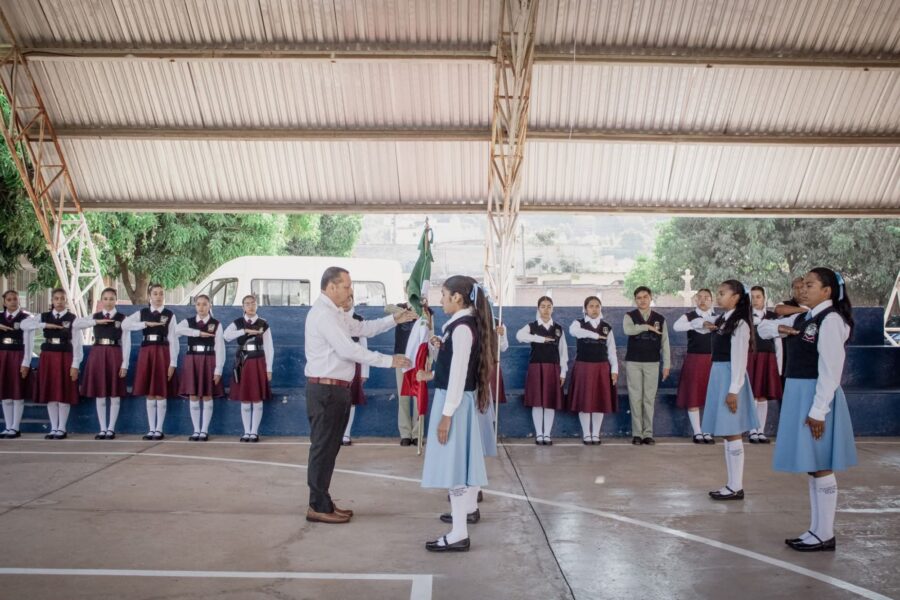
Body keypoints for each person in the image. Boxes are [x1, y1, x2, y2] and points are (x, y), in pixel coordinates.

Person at [303, 267, 415, 524]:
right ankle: (317, 505)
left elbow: (363, 328)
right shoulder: (324, 315)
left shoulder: (335, 313)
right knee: (323, 448)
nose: (350, 291)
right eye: (346, 286)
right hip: (326, 390)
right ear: (331, 287)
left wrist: (393, 320)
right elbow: (348, 350)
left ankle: (323, 501)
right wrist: (389, 360)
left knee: (329, 448)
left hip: (335, 389)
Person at [760, 268, 857, 552]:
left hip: (816, 397)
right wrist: (780, 329)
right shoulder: (804, 317)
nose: (803, 290)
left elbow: (830, 370)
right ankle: (816, 529)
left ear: (827, 291)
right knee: (813, 467)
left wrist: (818, 411)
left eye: (810, 285)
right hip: (800, 392)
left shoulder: (831, 320)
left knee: (821, 464)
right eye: (801, 285)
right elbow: (763, 327)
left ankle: (825, 534)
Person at [421, 276, 494, 552]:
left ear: (457, 298)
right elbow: (454, 367)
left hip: (454, 404)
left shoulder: (462, 329)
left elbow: (459, 375)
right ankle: (460, 527)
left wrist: (447, 414)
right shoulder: (461, 326)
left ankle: (459, 533)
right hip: (455, 401)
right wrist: (434, 368)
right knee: (458, 468)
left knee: (455, 470)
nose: (441, 300)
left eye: (444, 294)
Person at [702, 281, 758, 501]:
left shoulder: (740, 323)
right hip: (719, 375)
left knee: (732, 431)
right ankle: (732, 484)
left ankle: (736, 486)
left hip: (730, 378)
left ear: (735, 297)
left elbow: (739, 358)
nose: (718, 296)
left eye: (722, 293)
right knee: (727, 432)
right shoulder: (723, 320)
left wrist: (734, 389)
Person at [22, 288, 82, 439]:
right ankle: (53, 428)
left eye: (62, 298)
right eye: (56, 298)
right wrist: (44, 325)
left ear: (66, 301)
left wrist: (75, 364)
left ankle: (62, 428)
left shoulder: (72, 318)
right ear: (52, 300)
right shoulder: (44, 316)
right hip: (48, 356)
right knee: (51, 394)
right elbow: (24, 325)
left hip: (65, 356)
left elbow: (77, 343)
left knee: (63, 393)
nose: (59, 301)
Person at [123, 283, 179, 440]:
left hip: (162, 353)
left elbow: (173, 339)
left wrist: (173, 362)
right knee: (149, 393)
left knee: (160, 392)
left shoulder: (169, 314)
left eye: (161, 293)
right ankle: (151, 429)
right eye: (155, 293)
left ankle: (159, 429)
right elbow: (125, 324)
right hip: (146, 352)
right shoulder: (143, 313)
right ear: (150, 296)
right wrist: (144, 324)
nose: (158, 296)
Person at [74, 287, 130, 440]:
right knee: (100, 394)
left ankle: (111, 428)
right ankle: (102, 428)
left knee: (114, 394)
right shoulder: (96, 316)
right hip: (98, 354)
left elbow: (126, 342)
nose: (108, 302)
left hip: (114, 354)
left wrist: (124, 364)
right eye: (105, 298)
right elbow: (76, 324)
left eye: (111, 299)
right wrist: (95, 321)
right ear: (101, 300)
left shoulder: (122, 318)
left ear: (116, 300)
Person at [516, 296, 568, 445]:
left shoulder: (558, 329)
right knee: (537, 402)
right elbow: (519, 336)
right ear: (538, 309)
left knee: (550, 402)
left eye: (549, 306)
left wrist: (563, 372)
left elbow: (563, 352)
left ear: (553, 308)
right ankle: (539, 434)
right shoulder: (532, 326)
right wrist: (541, 339)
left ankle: (547, 434)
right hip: (536, 367)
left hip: (553, 368)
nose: (546, 309)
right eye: (543, 306)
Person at [623, 286, 670, 445]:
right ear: (635, 300)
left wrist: (667, 365)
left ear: (651, 298)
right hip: (634, 362)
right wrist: (647, 327)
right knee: (635, 398)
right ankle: (637, 434)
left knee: (649, 399)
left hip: (652, 363)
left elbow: (665, 343)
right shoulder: (629, 316)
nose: (642, 300)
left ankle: (648, 434)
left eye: (645, 297)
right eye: (639, 298)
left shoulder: (660, 318)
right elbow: (628, 330)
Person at [567, 296, 618, 445]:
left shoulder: (607, 327)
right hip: (583, 366)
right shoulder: (578, 323)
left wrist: (614, 369)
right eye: (591, 306)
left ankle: (596, 434)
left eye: (597, 306)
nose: (594, 309)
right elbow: (573, 332)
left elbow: (612, 350)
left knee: (599, 401)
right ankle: (586, 434)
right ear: (585, 309)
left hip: (602, 367)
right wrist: (595, 335)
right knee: (584, 401)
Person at [224, 295, 273, 443]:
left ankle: (254, 432)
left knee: (257, 398)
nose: (250, 306)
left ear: (257, 305)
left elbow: (269, 347)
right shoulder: (238, 322)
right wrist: (244, 331)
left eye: (253, 303)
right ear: (243, 306)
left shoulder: (263, 323)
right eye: (247, 304)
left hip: (258, 362)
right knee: (245, 398)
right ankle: (246, 432)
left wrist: (269, 368)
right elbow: (226, 336)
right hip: (243, 363)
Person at [176, 294, 225, 441]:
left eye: (204, 304)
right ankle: (196, 430)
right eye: (198, 304)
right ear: (195, 306)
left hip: (209, 359)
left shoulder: (216, 324)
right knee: (193, 395)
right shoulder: (188, 322)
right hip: (192, 359)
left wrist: (218, 369)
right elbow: (176, 331)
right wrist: (196, 332)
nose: (201, 307)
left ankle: (204, 430)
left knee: (207, 394)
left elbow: (220, 348)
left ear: (210, 306)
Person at [672, 289, 716, 444]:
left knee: (711, 397)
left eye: (706, 297)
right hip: (694, 359)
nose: (703, 300)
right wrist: (697, 323)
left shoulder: (717, 317)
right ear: (696, 299)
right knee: (693, 395)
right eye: (700, 297)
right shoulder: (689, 316)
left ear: (711, 300)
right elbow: (676, 327)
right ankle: (697, 432)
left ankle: (708, 430)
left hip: (713, 361)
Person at [748, 286, 783, 444]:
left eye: (758, 296)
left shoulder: (773, 317)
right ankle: (752, 430)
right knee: (752, 395)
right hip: (751, 357)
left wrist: (778, 367)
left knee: (763, 396)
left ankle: (761, 430)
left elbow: (778, 342)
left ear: (764, 298)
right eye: (752, 297)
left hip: (768, 358)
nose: (755, 300)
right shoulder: (745, 316)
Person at [0, 290, 33, 439]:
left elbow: (29, 342)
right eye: (9, 299)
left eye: (15, 299)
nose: (13, 302)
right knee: (5, 393)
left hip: (17, 354)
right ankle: (8, 427)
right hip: (3, 355)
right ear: (4, 302)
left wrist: (26, 362)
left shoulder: (25, 318)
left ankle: (15, 427)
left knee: (17, 392)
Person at [391, 283, 420, 446]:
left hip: (418, 357)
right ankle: (405, 433)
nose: (413, 292)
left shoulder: (425, 311)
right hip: (401, 356)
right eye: (410, 289)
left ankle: (417, 433)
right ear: (406, 290)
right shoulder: (399, 308)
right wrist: (408, 312)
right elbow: (387, 309)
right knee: (403, 396)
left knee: (417, 396)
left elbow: (430, 332)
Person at [342, 296, 368, 446]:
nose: (346, 302)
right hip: (338, 364)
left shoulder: (359, 319)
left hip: (355, 364)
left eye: (349, 300)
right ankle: (337, 433)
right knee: (338, 399)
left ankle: (346, 433)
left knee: (351, 400)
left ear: (352, 301)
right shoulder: (334, 317)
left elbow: (364, 348)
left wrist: (364, 372)